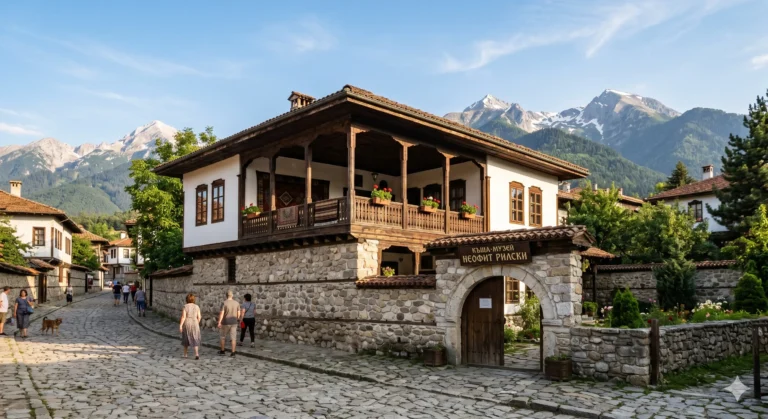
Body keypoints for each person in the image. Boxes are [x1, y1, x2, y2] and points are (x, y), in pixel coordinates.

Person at [217, 290, 240, 357]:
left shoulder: (224, 303)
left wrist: (219, 322)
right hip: (234, 322)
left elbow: (222, 313)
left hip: (225, 322)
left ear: (226, 296)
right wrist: (236, 319)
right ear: (232, 295)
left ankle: (222, 351)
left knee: (223, 337)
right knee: (233, 338)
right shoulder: (237, 303)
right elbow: (238, 314)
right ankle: (233, 352)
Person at [179, 293, 201, 359]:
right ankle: (196, 354)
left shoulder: (185, 306)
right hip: (195, 322)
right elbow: (199, 317)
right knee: (195, 338)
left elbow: (183, 317)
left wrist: (180, 325)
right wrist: (197, 322)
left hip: (187, 322)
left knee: (186, 338)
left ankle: (185, 354)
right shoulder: (197, 306)